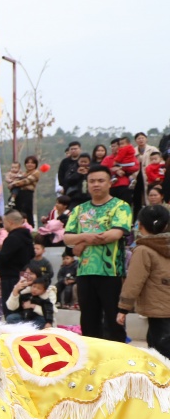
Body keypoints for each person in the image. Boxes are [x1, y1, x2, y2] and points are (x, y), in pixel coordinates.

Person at [64, 164, 132, 341]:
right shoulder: (79, 209)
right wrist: (85, 237)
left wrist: (82, 241)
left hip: (111, 272)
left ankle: (118, 355)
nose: (96, 184)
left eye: (101, 180)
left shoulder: (121, 206)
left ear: (110, 183)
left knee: (114, 321)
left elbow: (115, 234)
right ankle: (92, 356)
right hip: (84, 272)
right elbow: (67, 238)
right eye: (92, 181)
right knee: (88, 322)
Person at [118, 204, 170, 359]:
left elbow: (134, 281)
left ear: (139, 225)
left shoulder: (143, 250)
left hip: (158, 308)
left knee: (160, 353)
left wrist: (123, 308)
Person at [0, 209, 34, 303]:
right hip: (22, 276)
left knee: (10, 305)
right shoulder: (26, 236)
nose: (3, 226)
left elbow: (3, 257)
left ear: (10, 222)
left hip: (11, 278)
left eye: (4, 223)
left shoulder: (13, 238)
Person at [102, 137, 140, 206]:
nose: (112, 148)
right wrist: (114, 170)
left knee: (124, 207)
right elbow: (102, 170)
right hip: (111, 186)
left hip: (124, 186)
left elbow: (136, 167)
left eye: (114, 146)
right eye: (111, 146)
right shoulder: (108, 158)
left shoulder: (129, 157)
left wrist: (123, 169)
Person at [12, 155, 41, 226]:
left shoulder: (36, 172)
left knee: (26, 210)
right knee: (17, 210)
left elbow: (26, 181)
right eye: (28, 163)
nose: (30, 164)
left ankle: (29, 226)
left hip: (27, 193)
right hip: (19, 194)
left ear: (35, 164)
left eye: (32, 163)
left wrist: (14, 184)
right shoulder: (24, 173)